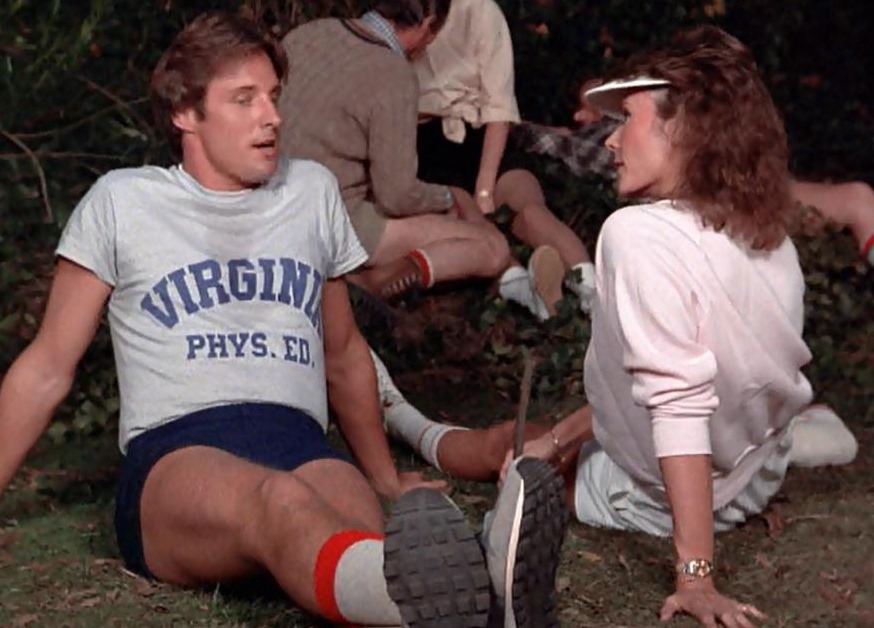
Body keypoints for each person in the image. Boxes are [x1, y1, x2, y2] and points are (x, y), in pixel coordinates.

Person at [0, 12, 569, 627]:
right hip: (177, 453)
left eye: (273, 96)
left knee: (360, 526)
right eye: (244, 99)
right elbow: (47, 369)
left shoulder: (310, 192)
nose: (271, 116)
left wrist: (383, 480)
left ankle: (470, 600)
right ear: (185, 113)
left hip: (299, 440)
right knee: (279, 501)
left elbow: (342, 354)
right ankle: (468, 592)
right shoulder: (123, 201)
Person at [375, 24, 861, 627]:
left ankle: (398, 414)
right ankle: (813, 432)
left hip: (674, 495)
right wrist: (561, 438)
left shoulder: (638, 235)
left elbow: (678, 403)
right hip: (755, 468)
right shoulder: (771, 238)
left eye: (627, 118)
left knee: (511, 449)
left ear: (683, 129)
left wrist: (696, 578)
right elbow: (671, 382)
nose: (609, 140)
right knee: (552, 439)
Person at [277, 0, 567, 321]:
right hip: (337, 222)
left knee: (458, 204)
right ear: (428, 23)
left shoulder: (306, 35)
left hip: (276, 203)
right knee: (491, 248)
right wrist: (446, 198)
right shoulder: (393, 74)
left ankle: (519, 283)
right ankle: (373, 282)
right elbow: (397, 196)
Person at [514, 80, 874, 267]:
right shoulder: (585, 144)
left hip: (731, 185)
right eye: (585, 104)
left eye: (625, 112)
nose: (588, 112)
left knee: (857, 198)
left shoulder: (667, 122)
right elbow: (523, 131)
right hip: (710, 202)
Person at [413, 0, 597, 316]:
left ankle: (593, 294)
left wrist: (485, 188)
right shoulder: (400, 12)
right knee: (472, 228)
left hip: (484, 134)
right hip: (430, 148)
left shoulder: (480, 10)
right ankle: (533, 298)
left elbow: (499, 106)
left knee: (529, 210)